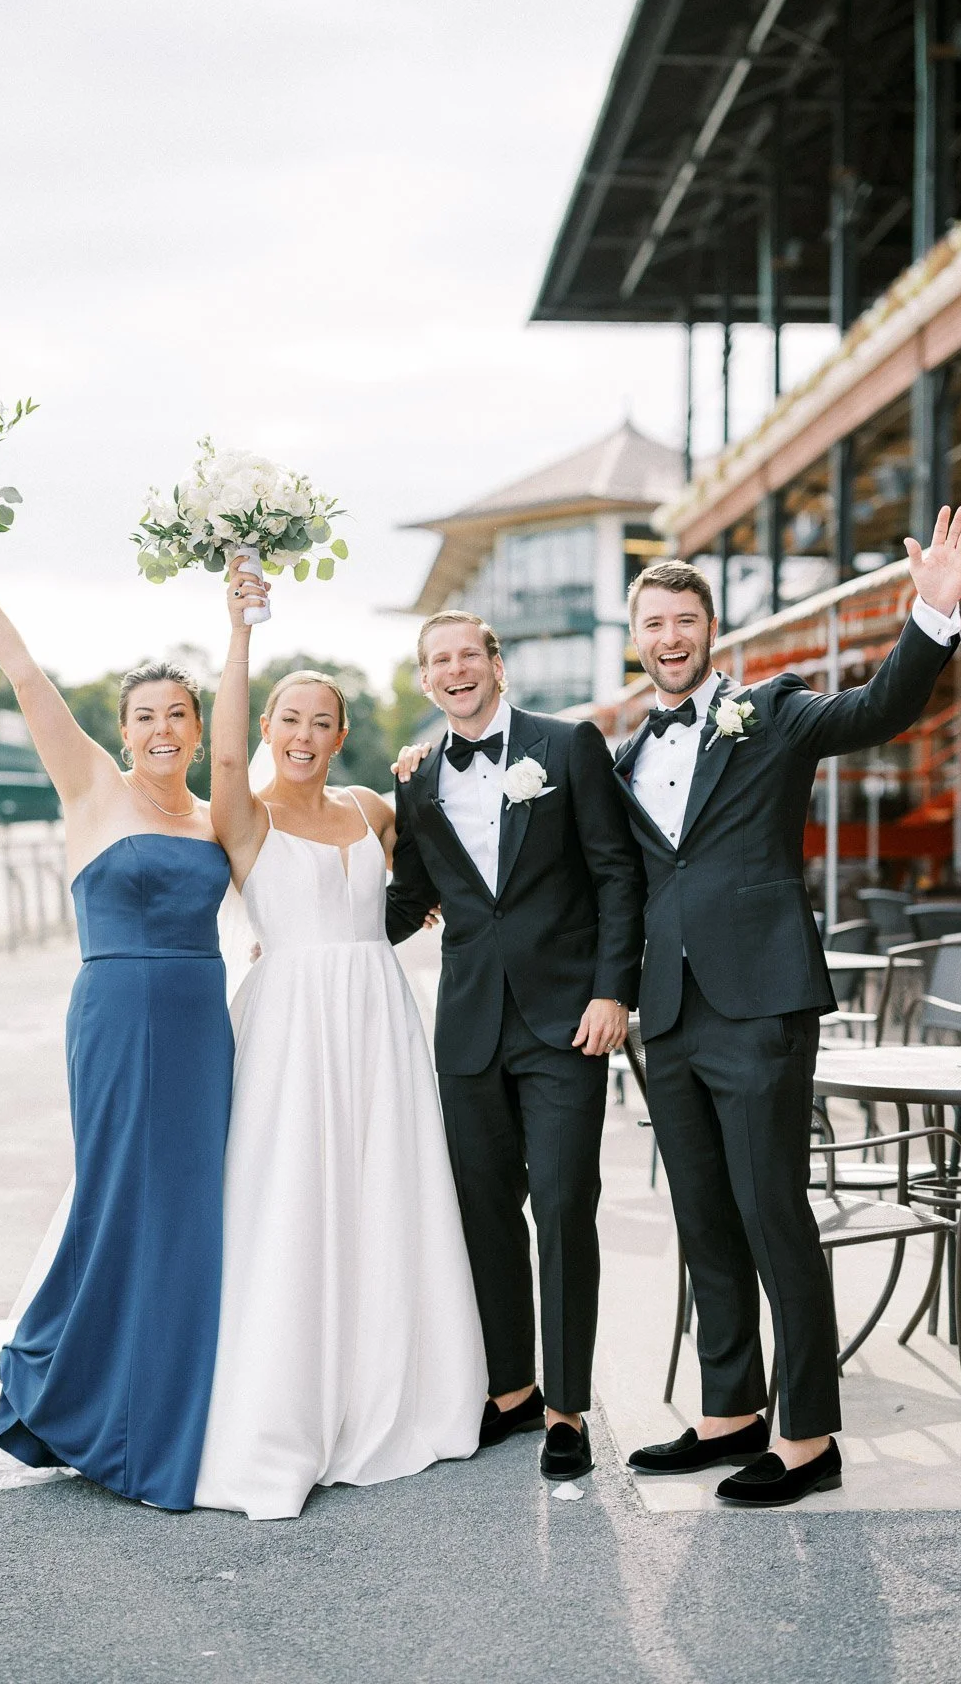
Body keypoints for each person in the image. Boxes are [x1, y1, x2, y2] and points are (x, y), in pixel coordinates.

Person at [0, 503, 234, 1511]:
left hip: (203, 1024)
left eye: (176, 716)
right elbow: (23, 672)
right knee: (118, 1202)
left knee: (192, 1213)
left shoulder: (217, 815)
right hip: (115, 1014)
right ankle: (88, 1401)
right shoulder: (90, 790)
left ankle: (166, 1398)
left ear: (198, 731)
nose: (159, 730)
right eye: (143, 715)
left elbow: (324, 831)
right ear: (123, 730)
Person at [617, 504, 961, 1507]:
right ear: (635, 637)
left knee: (772, 1208)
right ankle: (728, 1412)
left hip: (762, 1001)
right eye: (651, 625)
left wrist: (932, 616)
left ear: (709, 632)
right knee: (702, 1215)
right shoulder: (625, 756)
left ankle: (809, 1435)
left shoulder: (769, 711)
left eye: (683, 623)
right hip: (671, 1012)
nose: (669, 639)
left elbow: (877, 713)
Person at [191, 558, 487, 1520]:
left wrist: (436, 902)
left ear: (344, 735)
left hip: (377, 1020)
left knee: (384, 1191)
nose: (306, 736)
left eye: (324, 722)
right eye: (291, 720)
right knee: (294, 1198)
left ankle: (393, 1385)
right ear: (271, 730)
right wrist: (240, 632)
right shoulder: (241, 813)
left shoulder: (371, 811)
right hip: (288, 1026)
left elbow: (440, 859)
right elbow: (223, 755)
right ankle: (287, 1403)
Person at [388, 613, 643, 1483]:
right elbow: (408, 897)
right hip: (466, 1027)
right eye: (439, 662)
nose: (456, 671)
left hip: (568, 1019)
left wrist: (614, 989)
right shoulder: (418, 783)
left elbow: (616, 871)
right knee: (482, 1213)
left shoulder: (568, 746)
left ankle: (569, 1407)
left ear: (497, 665)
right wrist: (309, 926)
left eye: (469, 656)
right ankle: (512, 1391)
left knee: (566, 1204)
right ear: (426, 681)